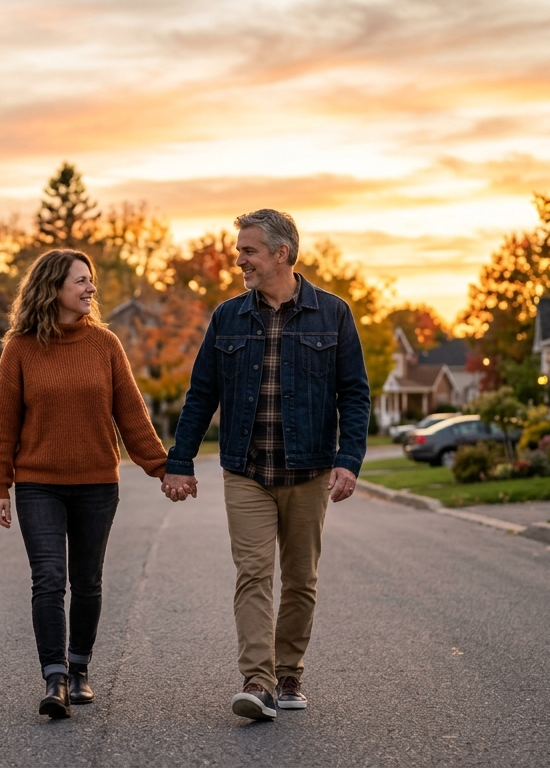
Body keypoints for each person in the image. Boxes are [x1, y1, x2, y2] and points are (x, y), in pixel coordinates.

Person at [161, 209, 370, 721]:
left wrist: (349, 460)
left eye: (248, 251)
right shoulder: (228, 317)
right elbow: (201, 394)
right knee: (253, 574)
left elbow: (355, 394)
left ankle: (289, 670)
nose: (239, 260)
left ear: (282, 253)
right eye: (240, 251)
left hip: (309, 469)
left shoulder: (333, 313)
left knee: (300, 578)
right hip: (246, 469)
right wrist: (179, 460)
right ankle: (258, 681)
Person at [0, 249, 168, 719]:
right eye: (81, 281)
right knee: (48, 579)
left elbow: (131, 414)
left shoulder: (105, 345)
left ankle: (81, 668)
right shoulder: (20, 349)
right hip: (38, 484)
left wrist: (164, 468)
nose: (90, 289)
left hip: (95, 484)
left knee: (87, 581)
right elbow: (3, 422)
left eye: (91, 280)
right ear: (53, 288)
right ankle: (55, 677)